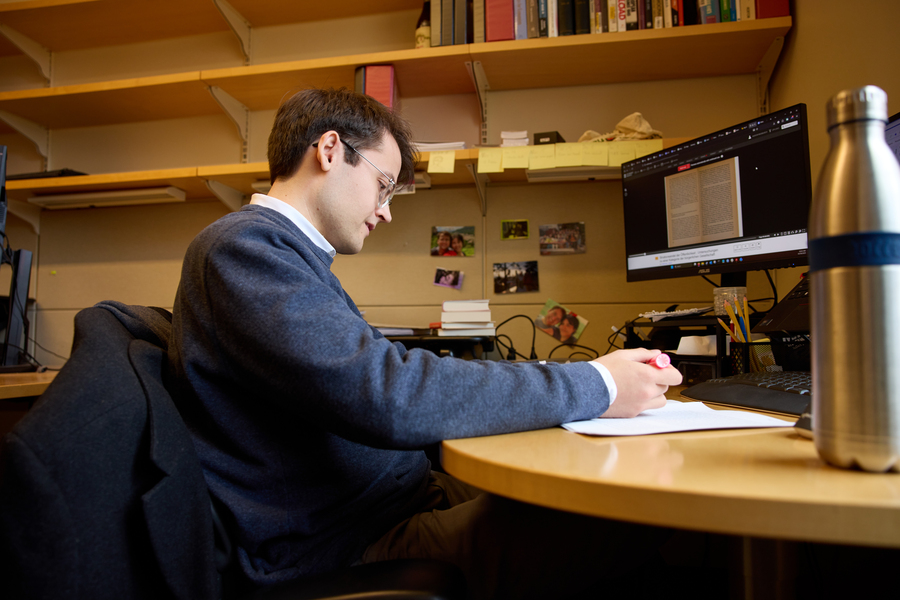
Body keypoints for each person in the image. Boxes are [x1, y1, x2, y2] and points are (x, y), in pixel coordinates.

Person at [168, 87, 682, 599]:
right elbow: (388, 394)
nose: (386, 211)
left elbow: (386, 378)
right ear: (329, 150)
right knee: (636, 509)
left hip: (393, 497)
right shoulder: (244, 249)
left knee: (596, 488)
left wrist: (577, 384)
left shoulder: (287, 255)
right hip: (344, 540)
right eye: (383, 185)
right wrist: (598, 382)